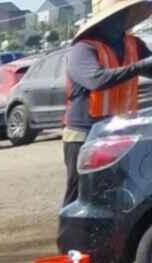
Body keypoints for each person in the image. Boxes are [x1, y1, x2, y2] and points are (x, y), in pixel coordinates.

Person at [64, 0, 152, 206]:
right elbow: (96, 79)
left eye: (125, 13)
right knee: (81, 194)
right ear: (103, 20)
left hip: (118, 131)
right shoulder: (82, 49)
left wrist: (142, 65)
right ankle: (69, 237)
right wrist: (138, 67)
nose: (121, 18)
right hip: (84, 134)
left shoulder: (133, 44)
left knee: (119, 190)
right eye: (117, 14)